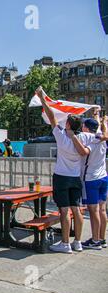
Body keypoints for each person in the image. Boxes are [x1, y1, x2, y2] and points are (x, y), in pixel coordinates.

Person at [36, 86, 95, 253]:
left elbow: (52, 116)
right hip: (76, 177)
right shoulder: (82, 137)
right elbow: (94, 139)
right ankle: (77, 241)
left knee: (63, 210)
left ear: (68, 124)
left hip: (61, 177)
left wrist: (42, 98)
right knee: (76, 210)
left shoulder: (61, 137)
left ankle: (65, 243)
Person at [68, 110, 108, 250]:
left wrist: (72, 136)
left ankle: (95, 240)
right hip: (103, 176)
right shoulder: (101, 137)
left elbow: (84, 152)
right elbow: (98, 128)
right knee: (102, 210)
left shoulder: (92, 140)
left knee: (93, 210)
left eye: (84, 125)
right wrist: (98, 117)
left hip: (90, 178)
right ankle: (102, 238)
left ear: (86, 128)